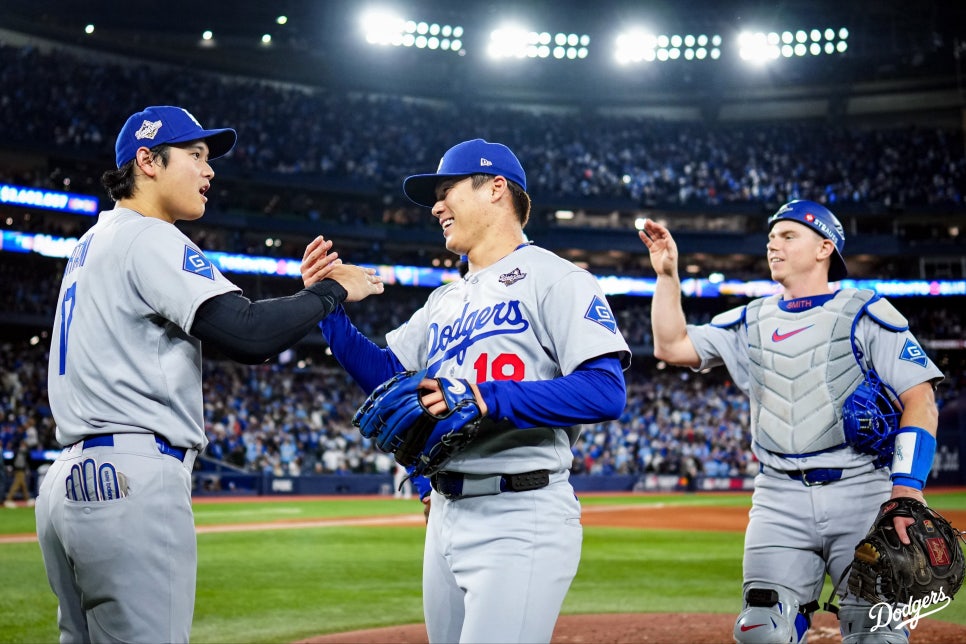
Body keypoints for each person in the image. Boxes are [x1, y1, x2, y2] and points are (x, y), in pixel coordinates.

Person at [35, 105, 383, 643]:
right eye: (195, 155)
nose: (209, 169)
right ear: (147, 161)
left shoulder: (90, 244)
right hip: (130, 479)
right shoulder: (148, 236)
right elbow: (248, 334)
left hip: (68, 482)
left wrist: (303, 301)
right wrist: (333, 291)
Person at [314, 138, 631, 643]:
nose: (437, 205)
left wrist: (490, 396)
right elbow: (389, 377)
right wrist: (327, 307)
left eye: (448, 189)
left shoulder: (557, 278)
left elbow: (605, 391)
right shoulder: (444, 299)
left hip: (519, 513)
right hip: (443, 514)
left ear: (496, 189)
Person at [639, 200, 943, 644]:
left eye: (787, 235)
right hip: (778, 497)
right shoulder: (750, 318)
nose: (773, 245)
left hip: (861, 491)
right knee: (761, 631)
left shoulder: (865, 309)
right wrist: (667, 276)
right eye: (770, 238)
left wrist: (907, 490)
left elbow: (921, 399)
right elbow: (672, 345)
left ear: (824, 248)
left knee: (875, 634)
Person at [3, 439, 32, 507]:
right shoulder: (19, 451)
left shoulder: (23, 452)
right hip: (19, 470)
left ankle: (26, 498)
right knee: (17, 485)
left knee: (22, 485)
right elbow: (15, 461)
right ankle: (9, 498)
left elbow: (27, 461)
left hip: (21, 470)